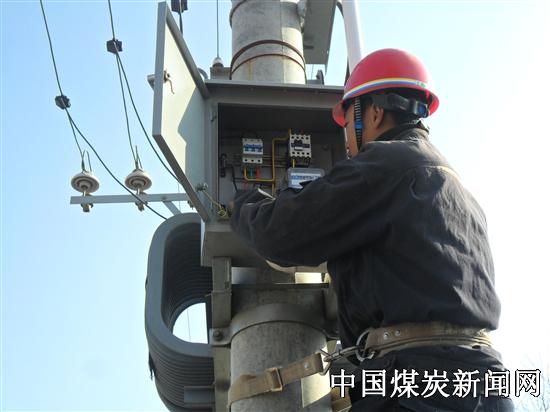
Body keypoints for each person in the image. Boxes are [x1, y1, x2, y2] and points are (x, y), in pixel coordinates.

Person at [229, 48, 514, 411]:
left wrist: (242, 205)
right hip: (484, 385)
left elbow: (281, 233)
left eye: (348, 122)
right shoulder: (457, 189)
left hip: (416, 386)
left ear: (374, 113)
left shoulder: (385, 164)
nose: (347, 140)